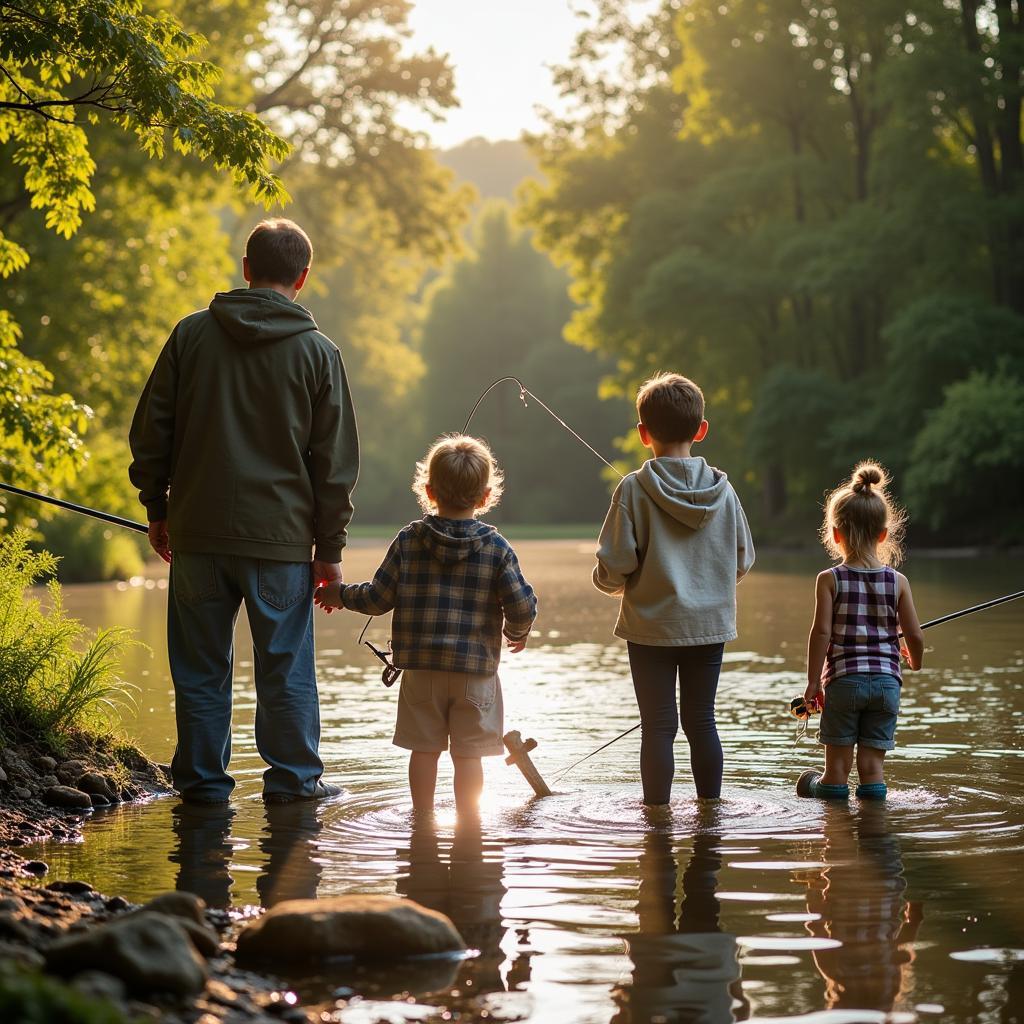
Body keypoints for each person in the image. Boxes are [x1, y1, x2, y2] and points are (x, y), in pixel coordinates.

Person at [129, 218, 359, 805]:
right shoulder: (319, 353)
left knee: (200, 672)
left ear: (246, 268)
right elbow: (334, 464)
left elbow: (152, 431)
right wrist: (329, 552)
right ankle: (294, 788)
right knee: (285, 674)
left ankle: (203, 791)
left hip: (197, 536)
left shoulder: (190, 336)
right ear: (303, 278)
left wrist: (157, 507)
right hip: (280, 544)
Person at [316, 434, 537, 814]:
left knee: (424, 751)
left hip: (420, 672)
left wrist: (339, 593)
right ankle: (469, 827)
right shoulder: (497, 548)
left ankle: (422, 823)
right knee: (468, 757)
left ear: (429, 491)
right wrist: (517, 632)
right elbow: (522, 606)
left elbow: (377, 598)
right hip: (475, 674)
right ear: (485, 497)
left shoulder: (408, 540)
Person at [594, 372, 754, 806]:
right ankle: (710, 817)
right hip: (710, 625)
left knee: (659, 727)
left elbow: (616, 564)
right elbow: (743, 558)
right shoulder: (725, 491)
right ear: (700, 431)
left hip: (650, 629)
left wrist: (608, 584)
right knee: (702, 721)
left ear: (644, 434)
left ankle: (657, 824)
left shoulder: (632, 489)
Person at [797, 462, 924, 801]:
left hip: (844, 682)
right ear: (883, 533)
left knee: (835, 772)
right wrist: (914, 661)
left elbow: (821, 633)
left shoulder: (829, 579)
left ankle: (818, 793)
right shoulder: (898, 582)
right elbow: (915, 636)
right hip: (886, 684)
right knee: (872, 769)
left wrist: (812, 682)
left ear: (835, 534)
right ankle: (874, 833)